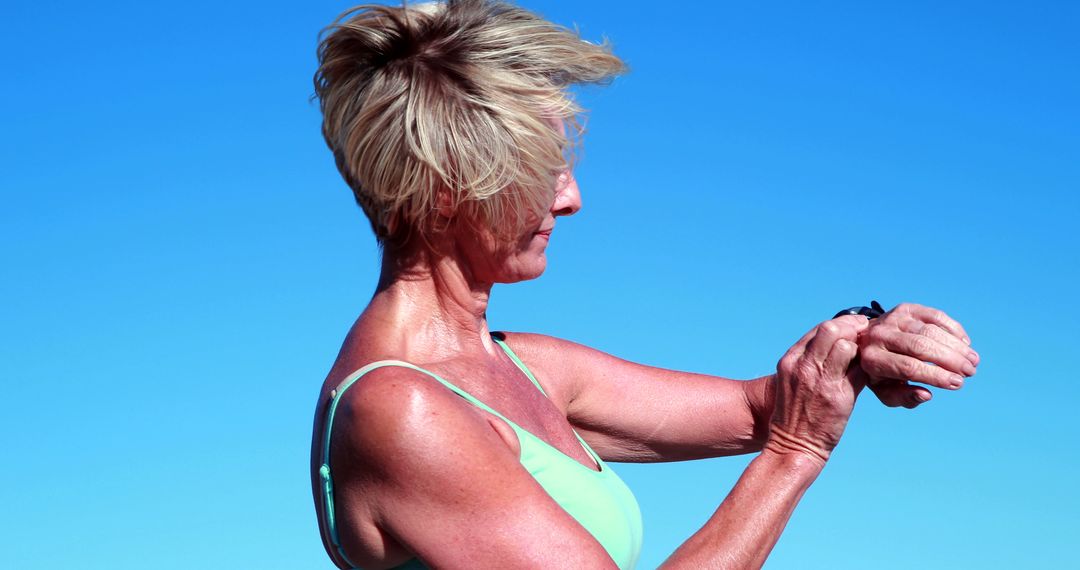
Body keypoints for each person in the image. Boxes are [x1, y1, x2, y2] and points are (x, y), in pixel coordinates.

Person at [308, 1, 980, 568]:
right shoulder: (398, 410)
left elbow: (762, 407)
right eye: (542, 171)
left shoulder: (524, 365)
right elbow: (789, 431)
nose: (571, 199)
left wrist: (859, 343)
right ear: (445, 192)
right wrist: (795, 456)